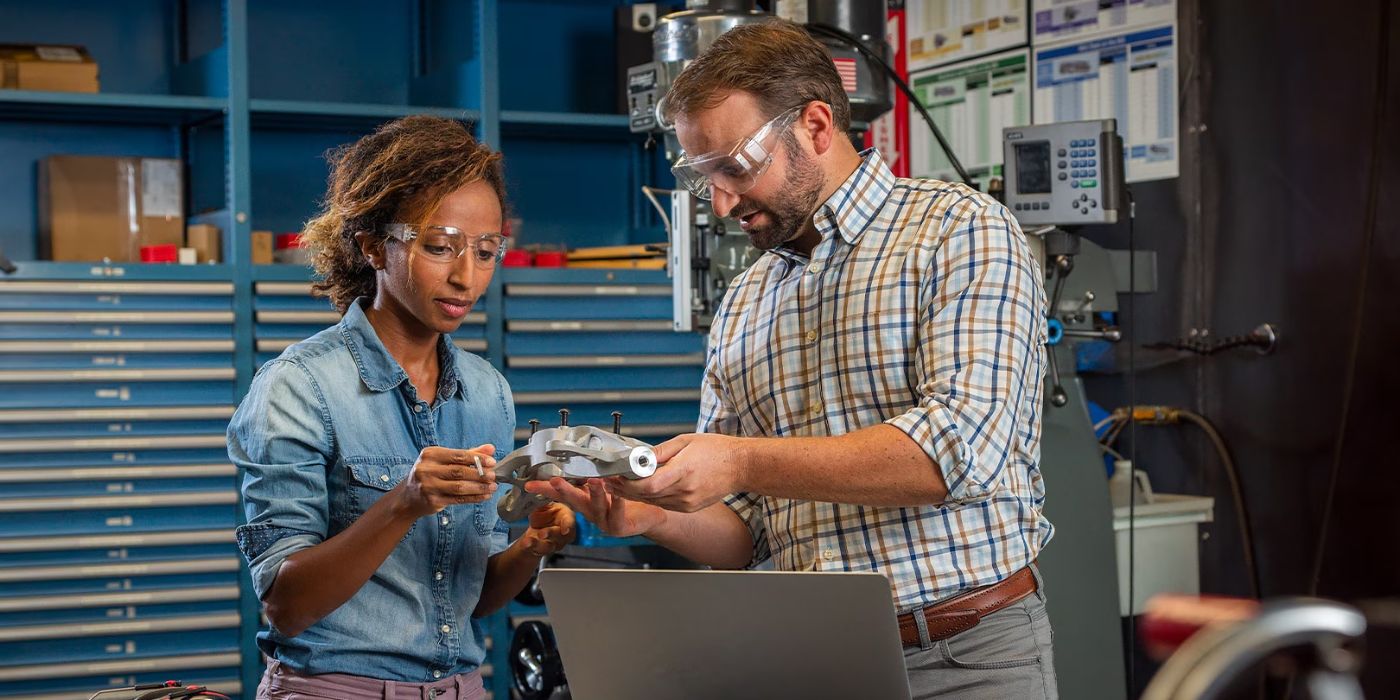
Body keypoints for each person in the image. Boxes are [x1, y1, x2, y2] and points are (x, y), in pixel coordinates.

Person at [528, 20, 1055, 699]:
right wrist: (653, 514)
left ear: (814, 124)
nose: (720, 203)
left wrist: (738, 458)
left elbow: (954, 453)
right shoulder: (745, 302)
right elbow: (747, 530)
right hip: (807, 660)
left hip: (963, 657)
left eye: (736, 168)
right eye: (701, 177)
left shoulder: (960, 230)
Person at [228, 116, 574, 700]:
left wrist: (531, 547)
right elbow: (286, 605)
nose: (466, 276)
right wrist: (403, 504)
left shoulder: (486, 392)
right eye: (440, 247)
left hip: (461, 688)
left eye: (487, 252)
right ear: (372, 247)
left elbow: (469, 599)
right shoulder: (299, 387)